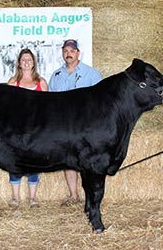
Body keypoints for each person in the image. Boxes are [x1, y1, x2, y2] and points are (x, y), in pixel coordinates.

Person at [49, 39, 102, 206]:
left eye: (72, 50)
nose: (68, 53)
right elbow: (50, 102)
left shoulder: (92, 74)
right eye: (65, 50)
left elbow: (101, 102)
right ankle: (74, 195)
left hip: (87, 126)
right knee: (69, 159)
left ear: (78, 53)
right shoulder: (56, 75)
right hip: (65, 126)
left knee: (89, 160)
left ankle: (91, 196)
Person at [7, 48, 48, 208]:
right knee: (15, 162)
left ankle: (33, 198)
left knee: (34, 162)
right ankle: (15, 198)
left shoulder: (41, 83)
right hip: (16, 130)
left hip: (36, 131)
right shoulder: (12, 83)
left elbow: (47, 108)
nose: (26, 62)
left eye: (29, 59)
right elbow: (6, 108)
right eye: (23, 59)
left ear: (33, 63)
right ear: (18, 63)